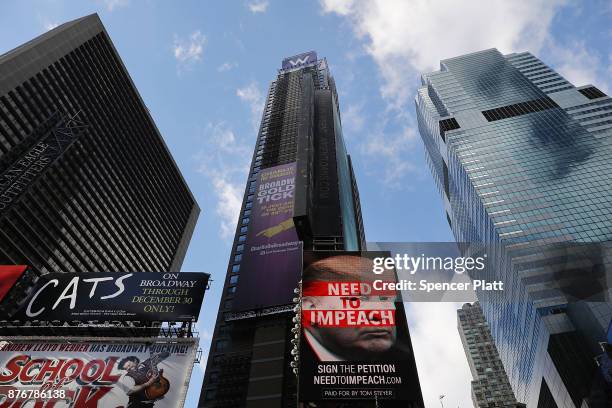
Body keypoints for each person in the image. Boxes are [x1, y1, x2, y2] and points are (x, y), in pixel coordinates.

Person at [301, 255, 401, 361]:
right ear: (312, 308)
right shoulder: (286, 361)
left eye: (385, 298)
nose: (380, 314)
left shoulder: (406, 362)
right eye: (355, 299)